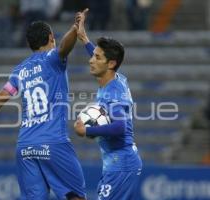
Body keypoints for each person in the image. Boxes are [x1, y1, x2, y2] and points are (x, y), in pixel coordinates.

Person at [0, 9, 89, 200]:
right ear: (51, 37)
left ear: (29, 44)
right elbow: (64, 47)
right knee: (76, 197)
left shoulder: (19, 71)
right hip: (53, 143)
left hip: (25, 146)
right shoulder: (54, 58)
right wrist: (75, 28)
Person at [74, 12, 143, 200]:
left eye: (96, 57)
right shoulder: (115, 77)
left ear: (111, 63)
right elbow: (103, 60)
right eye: (93, 55)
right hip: (120, 162)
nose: (91, 60)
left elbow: (120, 127)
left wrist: (86, 131)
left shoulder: (113, 93)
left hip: (121, 165)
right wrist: (84, 38)